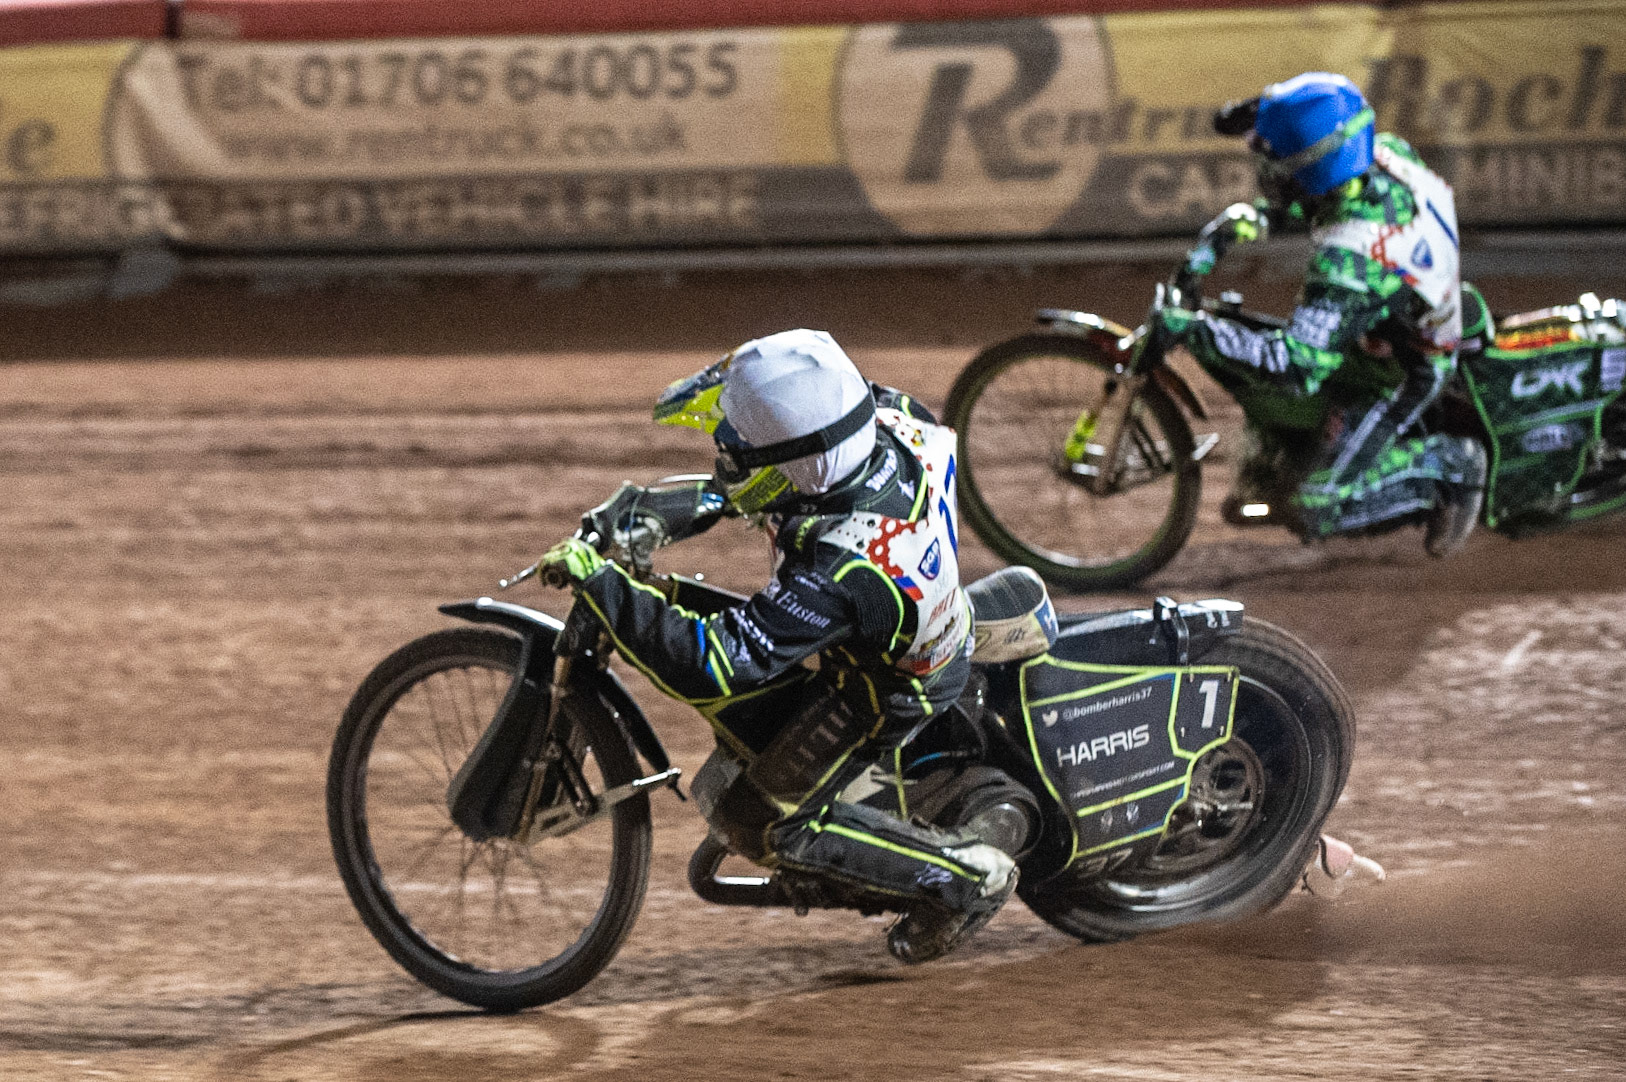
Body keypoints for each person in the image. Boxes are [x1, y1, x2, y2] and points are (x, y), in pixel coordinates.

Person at [534, 328, 1017, 964]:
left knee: (753, 818)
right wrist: (660, 513)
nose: (723, 451)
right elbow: (771, 461)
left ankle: (962, 880)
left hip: (888, 689)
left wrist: (606, 587)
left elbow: (715, 664)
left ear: (797, 466)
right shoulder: (886, 418)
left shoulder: (839, 570)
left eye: (737, 447)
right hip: (896, 622)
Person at [1159, 71, 1488, 555]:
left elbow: (1296, 368)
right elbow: (1321, 123)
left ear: (1308, 171)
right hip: (1404, 308)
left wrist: (1193, 330)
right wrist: (1257, 122)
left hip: (1411, 368)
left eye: (1273, 162)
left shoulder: (1349, 263)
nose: (1264, 167)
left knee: (1314, 507)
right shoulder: (1385, 154)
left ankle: (1450, 465)